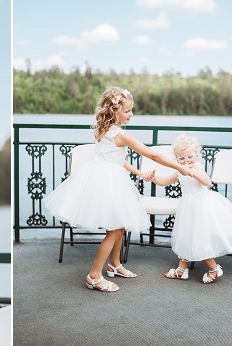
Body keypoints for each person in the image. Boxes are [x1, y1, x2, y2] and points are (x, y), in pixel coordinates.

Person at [44, 86, 190, 292]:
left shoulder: (105, 130)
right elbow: (153, 155)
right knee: (114, 231)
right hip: (107, 184)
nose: (131, 114)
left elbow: (116, 160)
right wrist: (179, 166)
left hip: (105, 178)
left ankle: (115, 264)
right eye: (127, 110)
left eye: (132, 110)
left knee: (120, 226)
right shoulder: (122, 135)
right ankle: (94, 275)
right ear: (114, 111)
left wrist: (139, 174)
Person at [147, 136, 232, 284]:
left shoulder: (196, 166)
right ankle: (181, 269)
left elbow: (207, 182)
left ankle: (214, 269)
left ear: (197, 155)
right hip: (187, 207)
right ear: (176, 159)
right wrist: (154, 178)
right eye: (181, 158)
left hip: (201, 206)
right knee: (185, 236)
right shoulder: (179, 170)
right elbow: (165, 182)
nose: (186, 161)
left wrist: (192, 172)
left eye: (190, 156)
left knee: (198, 240)